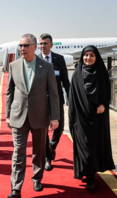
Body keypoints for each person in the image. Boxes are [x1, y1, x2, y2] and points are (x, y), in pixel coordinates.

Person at [6, 34, 60, 198]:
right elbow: (9, 91)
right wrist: (8, 114)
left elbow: (53, 93)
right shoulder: (13, 65)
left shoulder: (47, 66)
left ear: (35, 46)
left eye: (26, 45)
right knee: (18, 152)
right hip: (18, 115)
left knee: (38, 151)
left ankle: (37, 178)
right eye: (20, 46)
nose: (22, 49)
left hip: (40, 115)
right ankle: (16, 187)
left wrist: (54, 116)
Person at [68, 45, 115, 190]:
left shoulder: (101, 73)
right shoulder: (77, 74)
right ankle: (87, 175)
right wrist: (73, 117)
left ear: (96, 57)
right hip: (81, 118)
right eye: (86, 55)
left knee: (93, 147)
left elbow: (107, 93)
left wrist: (102, 104)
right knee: (84, 146)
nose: (88, 58)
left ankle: (90, 176)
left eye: (91, 55)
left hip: (97, 118)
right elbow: (72, 97)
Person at [38, 33, 71, 171]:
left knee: (59, 128)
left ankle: (51, 147)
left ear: (51, 45)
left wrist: (71, 99)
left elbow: (65, 81)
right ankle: (48, 157)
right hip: (41, 102)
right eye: (40, 44)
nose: (42, 46)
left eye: (45, 43)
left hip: (57, 101)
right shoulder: (35, 59)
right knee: (43, 130)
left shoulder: (59, 59)